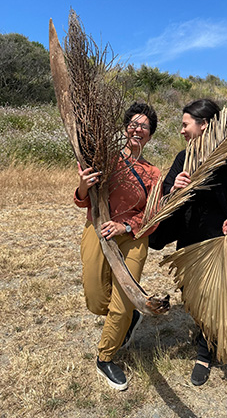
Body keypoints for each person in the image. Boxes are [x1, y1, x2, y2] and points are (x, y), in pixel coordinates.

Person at [149, 98, 227, 386]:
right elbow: (165, 194)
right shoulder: (184, 158)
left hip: (220, 238)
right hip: (190, 239)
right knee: (196, 296)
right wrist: (174, 188)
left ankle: (205, 352)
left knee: (217, 296)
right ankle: (208, 334)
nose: (181, 130)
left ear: (204, 125)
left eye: (185, 124)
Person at [74, 102, 161, 391]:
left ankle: (105, 357)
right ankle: (130, 316)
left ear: (150, 135)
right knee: (96, 299)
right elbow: (81, 199)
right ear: (125, 129)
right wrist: (84, 185)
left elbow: (153, 215)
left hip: (134, 237)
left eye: (144, 127)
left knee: (122, 304)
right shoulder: (104, 159)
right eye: (134, 125)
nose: (138, 130)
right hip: (98, 231)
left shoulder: (153, 173)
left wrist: (125, 226)